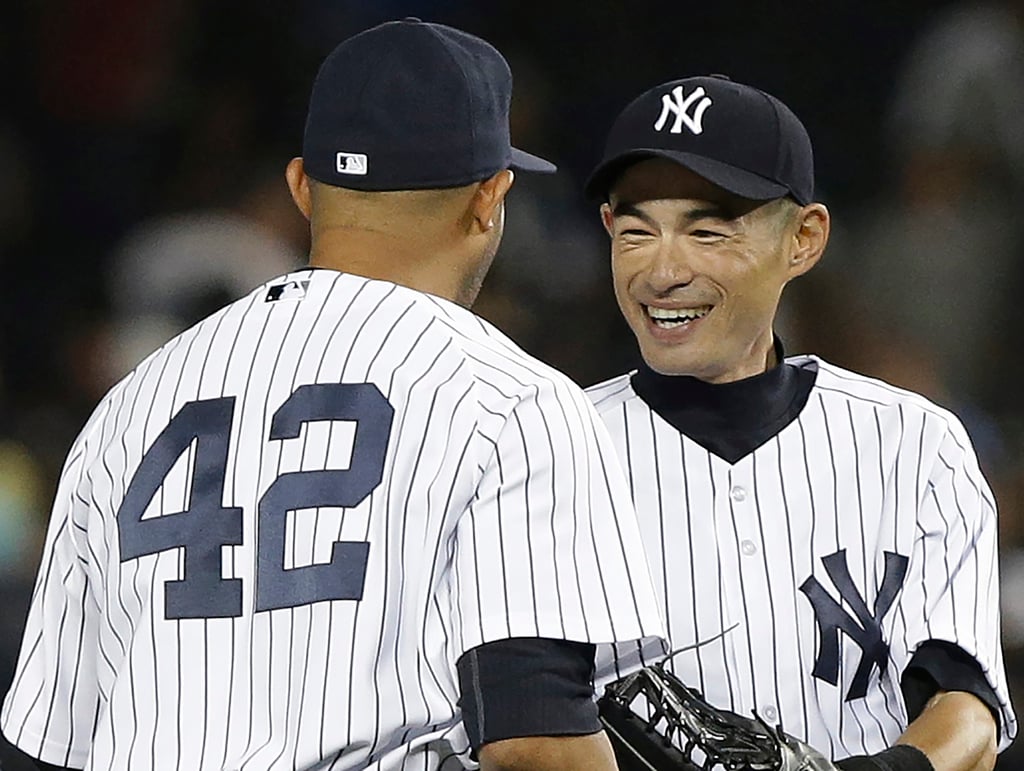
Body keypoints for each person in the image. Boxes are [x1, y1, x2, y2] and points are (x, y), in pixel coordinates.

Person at [0, 19, 669, 771]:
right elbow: (534, 742)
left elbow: (48, 746)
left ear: (301, 189)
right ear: (491, 196)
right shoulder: (512, 401)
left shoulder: (128, 408)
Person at [583, 75, 1016, 770]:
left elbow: (968, 714)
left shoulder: (916, 445)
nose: (662, 270)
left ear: (804, 240)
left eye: (707, 230)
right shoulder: (546, 449)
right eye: (637, 231)